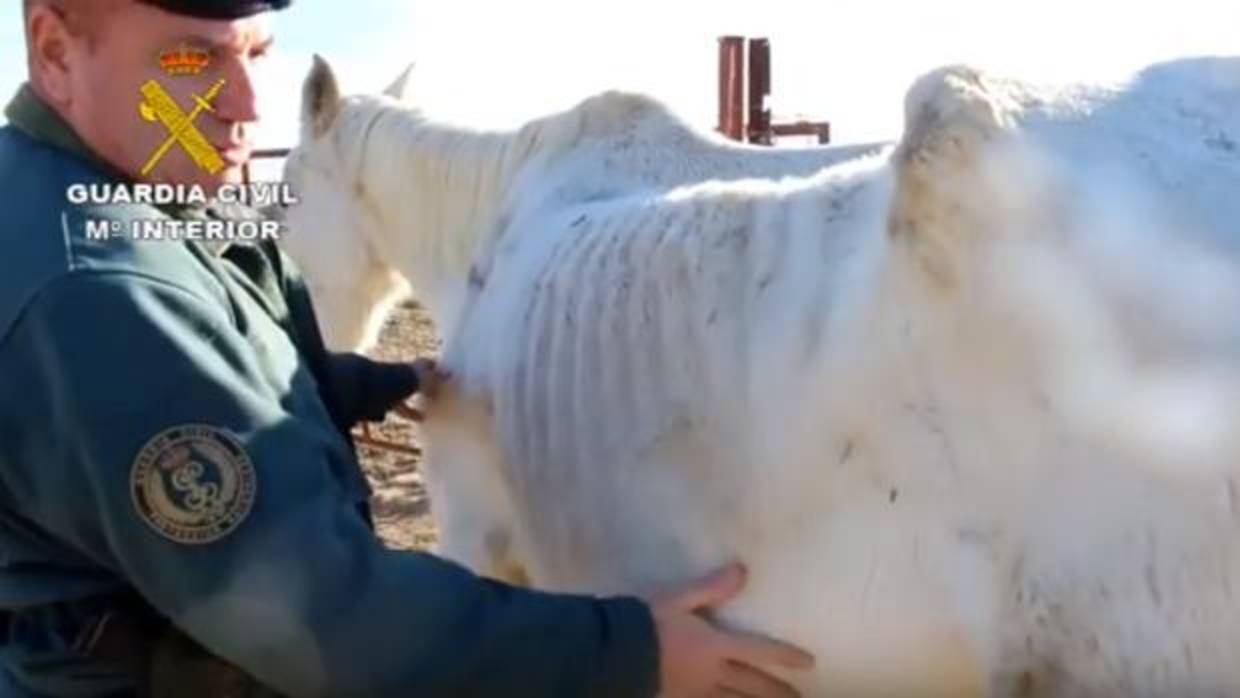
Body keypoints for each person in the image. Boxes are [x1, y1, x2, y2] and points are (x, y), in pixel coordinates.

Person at [0, 1, 817, 696]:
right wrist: (634, 652)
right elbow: (326, 622)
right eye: (190, 58)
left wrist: (378, 381)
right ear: (57, 51)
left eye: (254, 54)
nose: (245, 103)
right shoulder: (104, 295)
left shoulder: (97, 192)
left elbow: (221, 357)